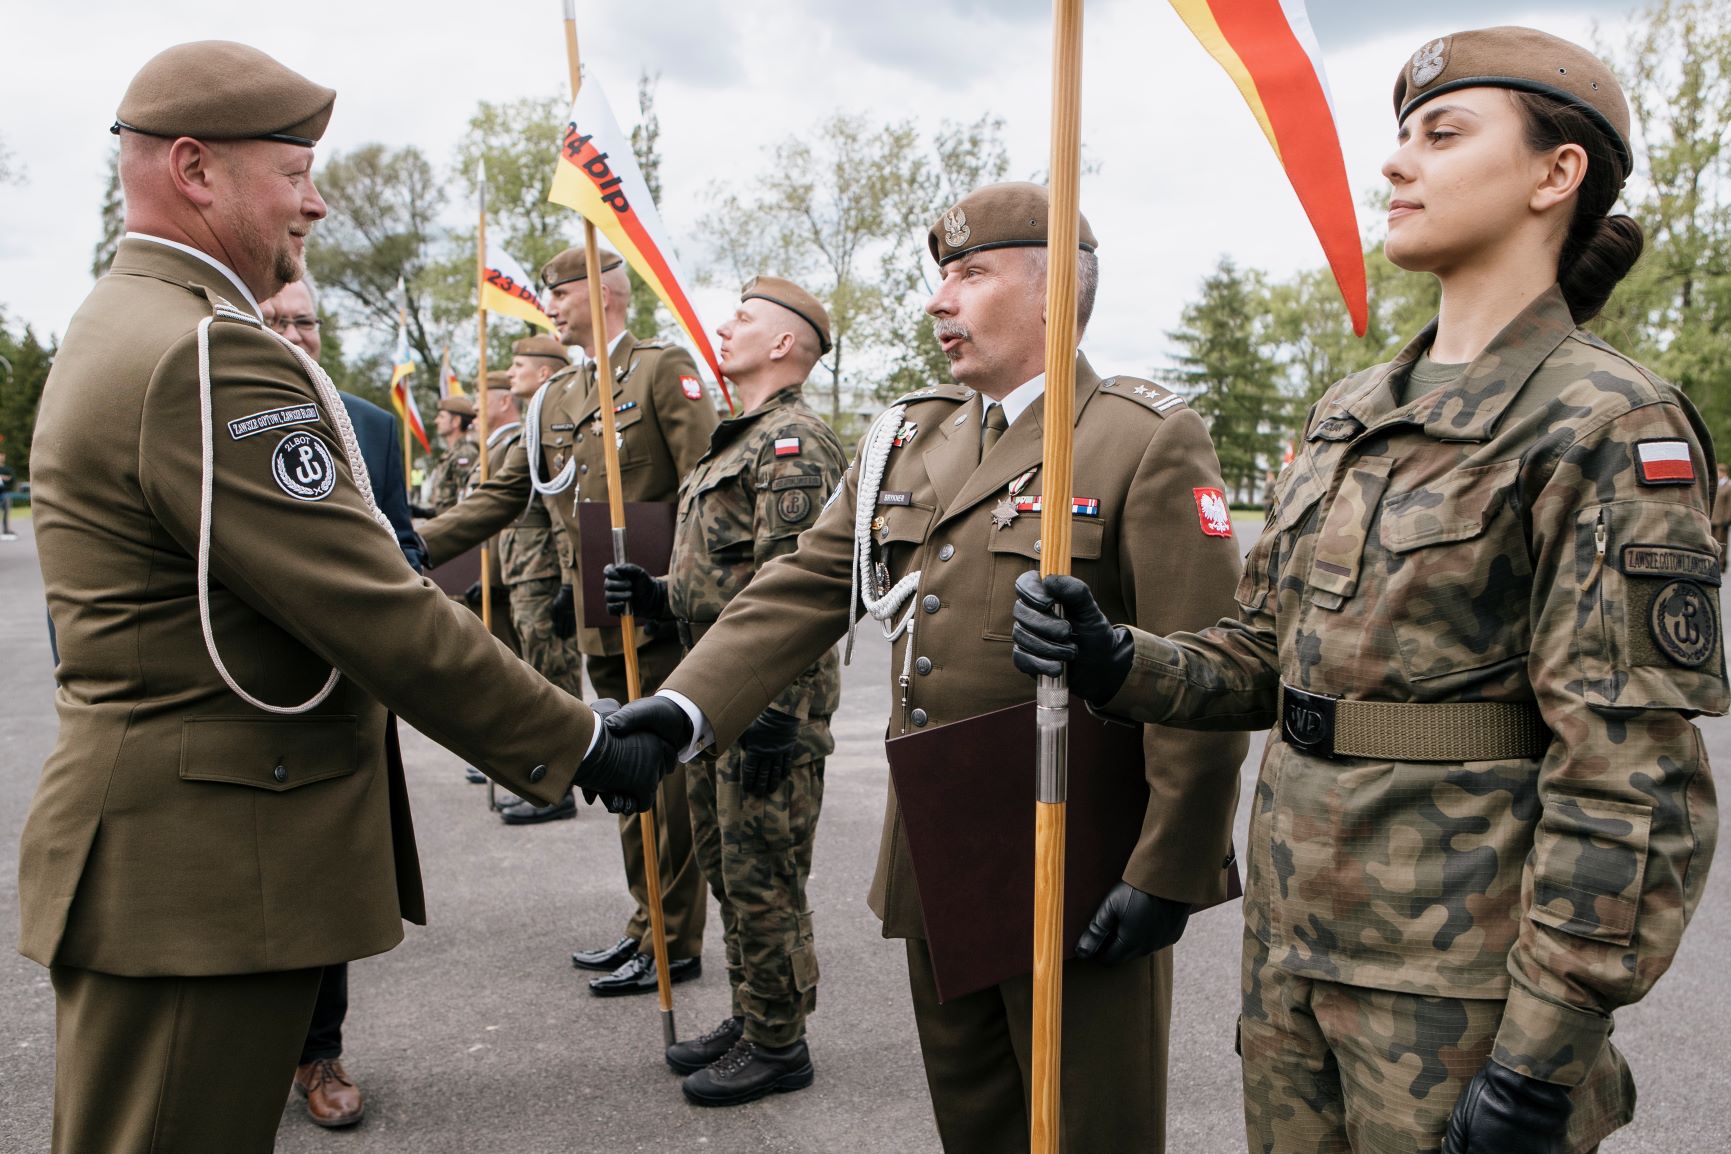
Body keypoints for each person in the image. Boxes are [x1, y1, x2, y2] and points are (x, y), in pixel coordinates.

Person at [1011, 28, 1722, 1154]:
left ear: (1556, 174)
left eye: (1442, 135)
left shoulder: (1605, 422)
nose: (1395, 165)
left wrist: (1540, 1059)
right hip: (1296, 955)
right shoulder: (1352, 411)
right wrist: (1120, 660)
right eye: (1398, 138)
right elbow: (1263, 653)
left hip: (1459, 991)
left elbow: (1631, 777)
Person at [19, 41, 674, 1154]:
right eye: (295, 171)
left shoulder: (130, 319)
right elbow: (371, 603)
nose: (314, 204)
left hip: (177, 857)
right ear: (194, 169)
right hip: (205, 870)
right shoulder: (206, 356)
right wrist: (582, 743)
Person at [606, 183, 1247, 1150]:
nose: (937, 302)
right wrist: (681, 707)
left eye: (970, 275)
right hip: (938, 839)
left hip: (1071, 846)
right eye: (939, 278)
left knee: (1083, 1127)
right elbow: (808, 582)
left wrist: (1170, 869)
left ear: (1054, 295)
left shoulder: (1137, 439)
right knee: (975, 1115)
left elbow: (1201, 666)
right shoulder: (911, 434)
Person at [417, 244, 717, 996]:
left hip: (655, 618)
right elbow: (498, 500)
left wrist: (670, 586)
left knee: (664, 784)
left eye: (561, 290)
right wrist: (407, 550)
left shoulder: (657, 370)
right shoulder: (555, 396)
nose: (548, 304)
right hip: (596, 619)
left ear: (604, 290)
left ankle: (674, 940)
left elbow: (708, 489)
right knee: (621, 771)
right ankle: (645, 924)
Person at [604, 276, 846, 1105]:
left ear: (785, 343)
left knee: (763, 876)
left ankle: (781, 1044)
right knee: (721, 863)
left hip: (767, 708)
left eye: (743, 318)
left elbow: (799, 591)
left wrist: (778, 706)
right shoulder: (734, 442)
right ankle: (754, 1013)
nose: (722, 326)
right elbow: (724, 580)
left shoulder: (796, 444)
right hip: (716, 702)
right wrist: (658, 592)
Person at [259, 275, 425, 1129]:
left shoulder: (370, 427)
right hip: (243, 696)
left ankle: (319, 1054)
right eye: (273, 319)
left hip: (340, 698)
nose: (292, 333)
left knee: (325, 882)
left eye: (305, 321)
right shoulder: (212, 412)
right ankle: (244, 1054)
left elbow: (404, 540)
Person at [494, 336, 587, 824]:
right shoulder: (531, 429)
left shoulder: (556, 427)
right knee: (536, 679)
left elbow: (561, 513)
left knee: (556, 684)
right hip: (525, 575)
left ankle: (560, 788)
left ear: (547, 370)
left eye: (518, 364)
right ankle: (547, 780)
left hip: (547, 576)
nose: (510, 374)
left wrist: (571, 579)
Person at [427, 395, 478, 517]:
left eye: (441, 416)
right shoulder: (451, 453)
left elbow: (465, 502)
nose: (436, 421)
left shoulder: (465, 454)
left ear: (456, 421)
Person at [1711, 462, 1730, 559]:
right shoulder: (1717, 484)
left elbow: (1729, 505)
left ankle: (1721, 563)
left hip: (1722, 519)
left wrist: (1727, 519)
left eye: (1719, 472)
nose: (1717, 474)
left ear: (1724, 472)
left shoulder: (1728, 486)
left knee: (1721, 542)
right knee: (1712, 542)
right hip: (1713, 518)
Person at [0, 449, 16, 540]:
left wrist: (4, 478)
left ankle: (6, 529)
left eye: (2, 455)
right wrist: (4, 478)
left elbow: (12, 480)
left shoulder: (8, 469)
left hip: (4, 493)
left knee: (7, 502)